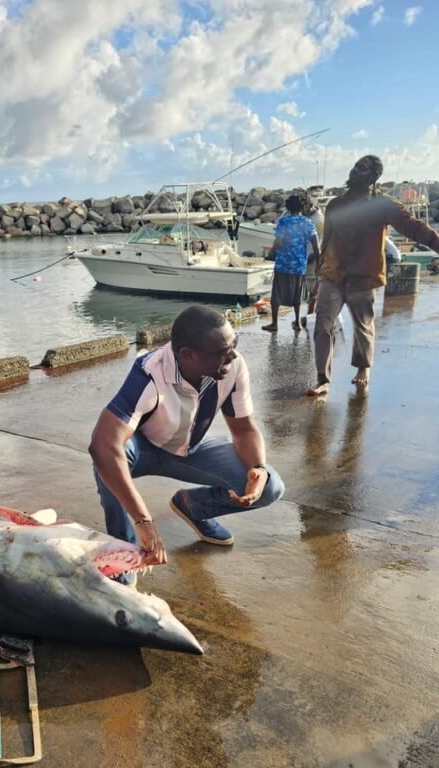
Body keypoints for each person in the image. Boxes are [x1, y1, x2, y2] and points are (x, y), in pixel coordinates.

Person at [89, 305, 285, 582]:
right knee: (107, 462)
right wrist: (144, 520)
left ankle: (194, 506)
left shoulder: (232, 367)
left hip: (191, 449)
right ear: (187, 355)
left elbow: (243, 429)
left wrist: (257, 468)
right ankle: (125, 554)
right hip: (144, 449)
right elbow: (103, 444)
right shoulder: (150, 372)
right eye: (222, 352)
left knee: (270, 486)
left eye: (233, 345)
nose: (232, 355)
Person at [307, 155, 439, 395]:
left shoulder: (382, 204)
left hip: (363, 276)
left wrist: (436, 243)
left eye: (364, 169)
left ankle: (362, 368)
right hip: (332, 274)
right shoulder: (336, 204)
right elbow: (327, 242)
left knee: (363, 326)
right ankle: (322, 379)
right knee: (322, 325)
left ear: (373, 178)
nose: (357, 171)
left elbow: (412, 226)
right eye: (357, 166)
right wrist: (318, 277)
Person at [261, 194, 320, 333]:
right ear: (302, 207)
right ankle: (298, 323)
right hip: (299, 264)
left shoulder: (284, 222)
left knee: (277, 293)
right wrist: (318, 263)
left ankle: (274, 323)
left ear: (288, 207)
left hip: (283, 263)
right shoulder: (308, 223)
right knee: (297, 293)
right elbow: (316, 246)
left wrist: (271, 254)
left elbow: (279, 241)